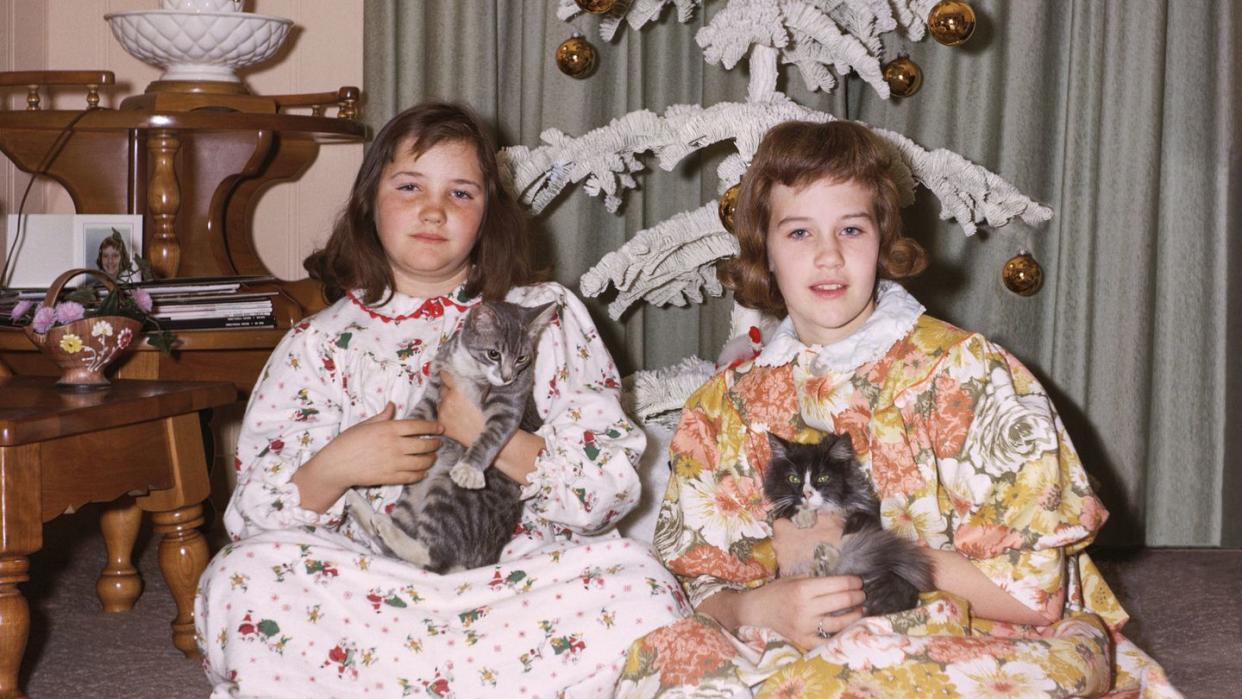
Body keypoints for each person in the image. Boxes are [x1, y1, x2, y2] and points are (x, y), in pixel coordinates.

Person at [615, 120, 1178, 696]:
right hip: (788, 633)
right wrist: (761, 609)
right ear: (765, 249)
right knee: (666, 661)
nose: (828, 256)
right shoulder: (723, 407)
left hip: (969, 632)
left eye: (851, 229)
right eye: (800, 233)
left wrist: (852, 552)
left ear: (882, 240)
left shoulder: (968, 372)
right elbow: (704, 590)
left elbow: (1033, 598)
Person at [195, 102, 690, 697]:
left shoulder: (543, 319)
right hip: (366, 598)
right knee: (240, 578)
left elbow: (604, 494)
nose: (434, 210)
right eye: (409, 186)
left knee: (642, 587)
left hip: (516, 587)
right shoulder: (317, 345)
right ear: (368, 201)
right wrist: (336, 467)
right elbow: (254, 519)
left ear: (488, 215)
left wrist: (492, 433)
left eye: (461, 194)